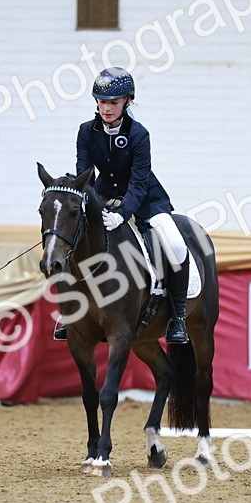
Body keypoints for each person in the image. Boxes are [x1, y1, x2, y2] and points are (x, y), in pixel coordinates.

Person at [53, 67, 190, 344]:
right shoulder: (85, 132)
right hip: (101, 195)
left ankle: (178, 317)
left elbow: (139, 183)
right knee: (74, 237)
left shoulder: (139, 134)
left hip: (145, 198)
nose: (106, 108)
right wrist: (89, 204)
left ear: (128, 101)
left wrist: (122, 213)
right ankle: (70, 312)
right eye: (102, 102)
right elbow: (84, 175)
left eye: (113, 102)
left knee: (176, 244)